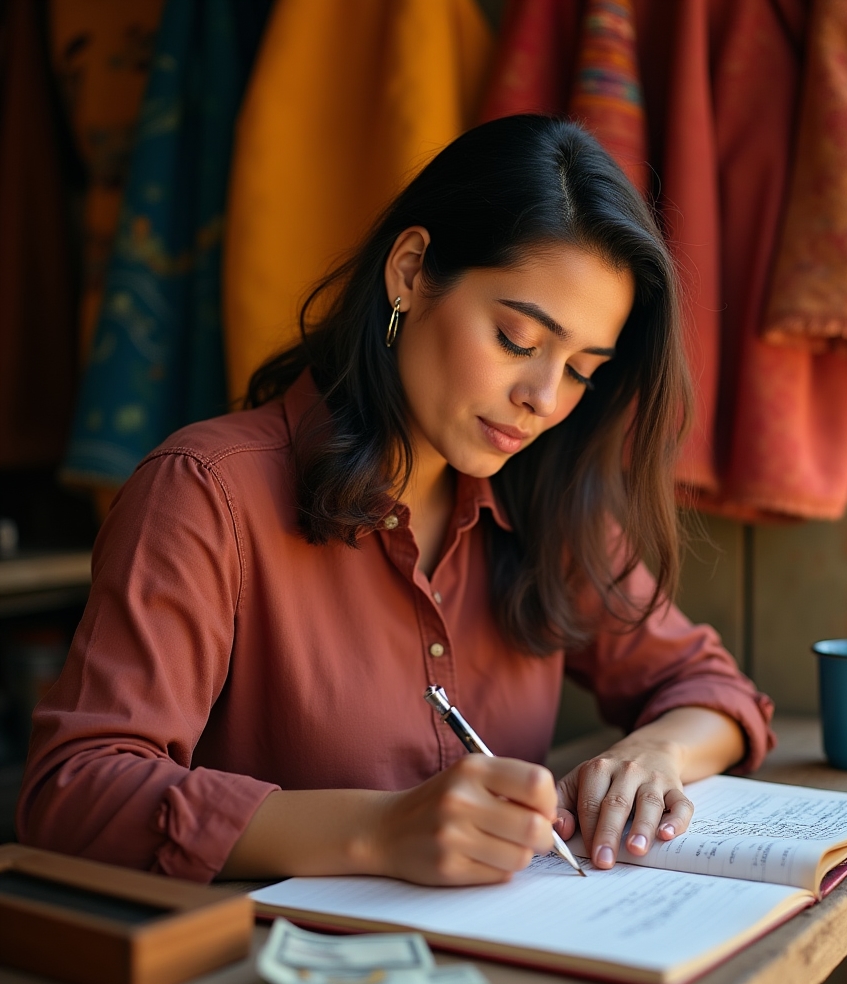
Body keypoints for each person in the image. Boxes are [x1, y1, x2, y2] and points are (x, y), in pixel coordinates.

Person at [17, 115, 775, 887]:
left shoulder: (545, 501)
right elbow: (74, 790)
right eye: (518, 339)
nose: (543, 398)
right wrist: (377, 832)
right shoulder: (207, 494)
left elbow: (710, 690)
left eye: (582, 368)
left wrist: (653, 752)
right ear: (410, 271)